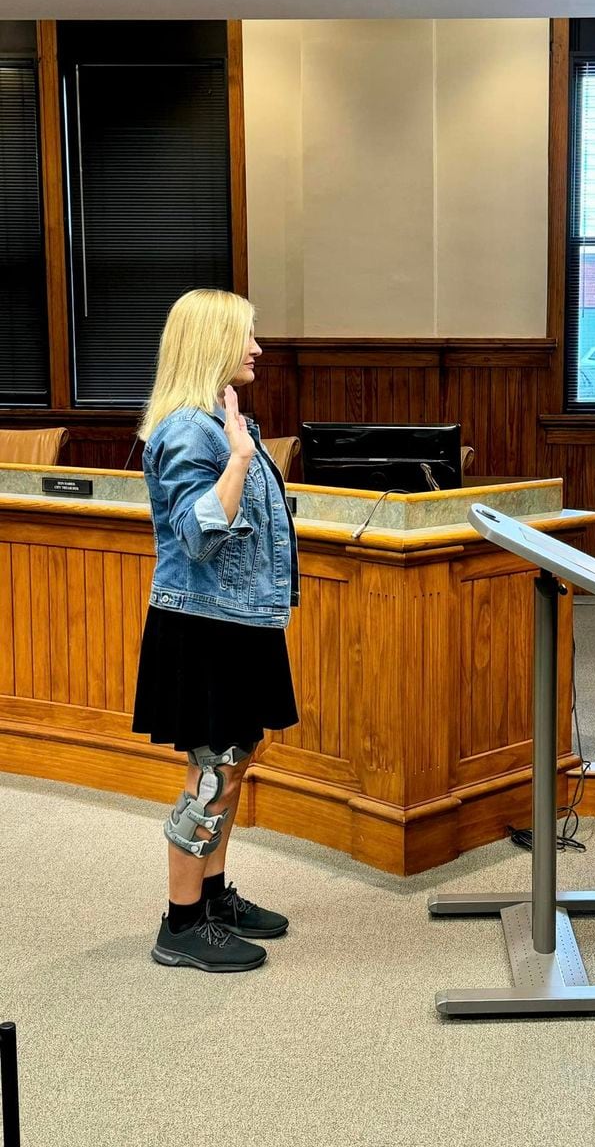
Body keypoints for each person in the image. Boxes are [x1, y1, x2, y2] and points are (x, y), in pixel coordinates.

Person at [132, 288, 300, 972]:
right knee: (211, 773)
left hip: (241, 621)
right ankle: (180, 923)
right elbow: (198, 536)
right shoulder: (186, 431)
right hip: (202, 627)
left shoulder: (222, 419)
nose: (257, 348)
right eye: (247, 336)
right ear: (212, 344)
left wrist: (239, 446)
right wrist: (236, 459)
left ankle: (212, 896)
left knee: (234, 763)